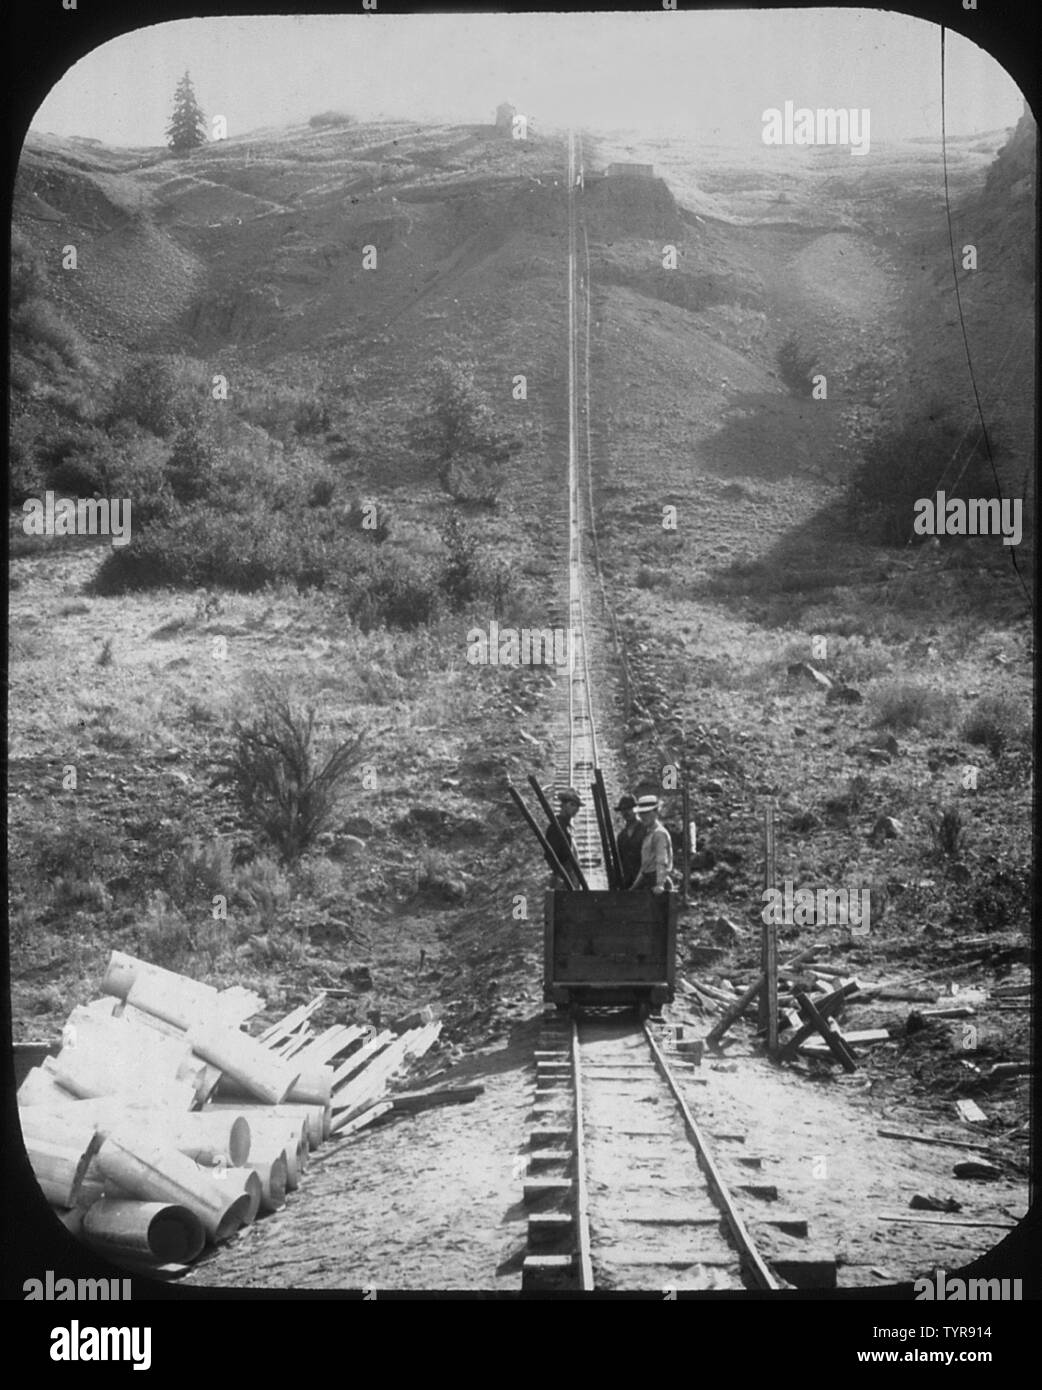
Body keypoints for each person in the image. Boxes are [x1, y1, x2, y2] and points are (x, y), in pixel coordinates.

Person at [629, 795, 674, 894]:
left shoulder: (659, 834)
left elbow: (662, 861)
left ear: (656, 813)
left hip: (658, 883)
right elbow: (645, 866)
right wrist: (633, 888)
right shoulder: (648, 834)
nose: (643, 816)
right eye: (641, 813)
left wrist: (660, 885)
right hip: (648, 881)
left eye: (646, 813)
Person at [544, 787, 583, 888]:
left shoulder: (568, 828)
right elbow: (551, 857)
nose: (576, 809)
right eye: (572, 804)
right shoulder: (556, 827)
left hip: (572, 880)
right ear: (563, 805)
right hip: (562, 881)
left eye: (577, 806)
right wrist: (561, 875)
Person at [614, 793, 646, 889]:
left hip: (645, 881)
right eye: (623, 810)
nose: (626, 812)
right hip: (628, 883)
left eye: (629, 809)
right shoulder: (621, 836)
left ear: (636, 809)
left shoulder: (645, 830)